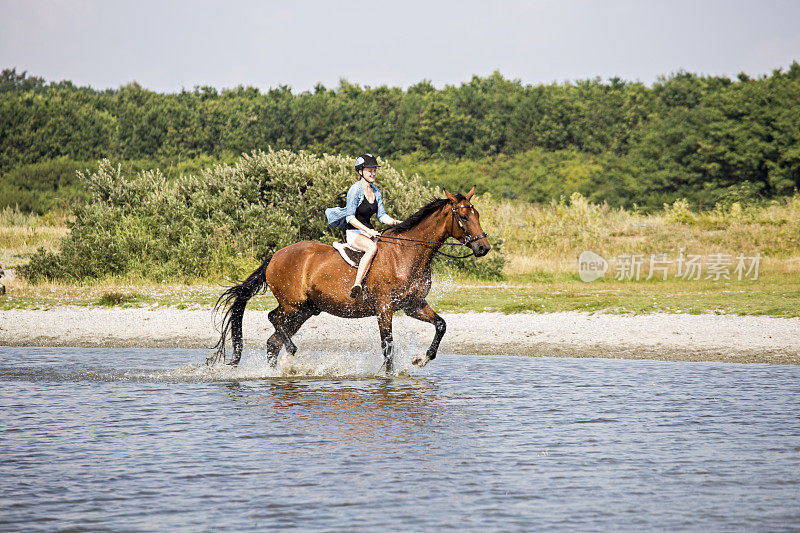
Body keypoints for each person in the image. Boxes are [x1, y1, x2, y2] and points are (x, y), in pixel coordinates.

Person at [325, 154, 401, 298]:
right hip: (354, 233)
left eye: (374, 171)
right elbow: (350, 217)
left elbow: (382, 216)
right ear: (361, 172)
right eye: (369, 171)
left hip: (368, 233)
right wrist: (368, 230)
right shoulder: (355, 190)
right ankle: (357, 284)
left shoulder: (376, 190)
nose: (373, 174)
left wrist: (398, 223)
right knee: (372, 248)